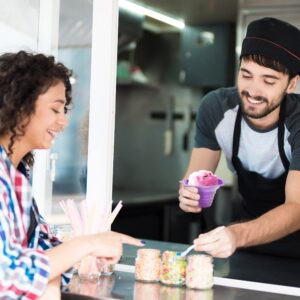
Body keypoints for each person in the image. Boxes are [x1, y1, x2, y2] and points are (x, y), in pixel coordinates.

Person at [0, 51, 144, 300]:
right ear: (19, 105)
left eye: (64, 109)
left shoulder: (16, 174)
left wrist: (89, 246)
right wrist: (85, 245)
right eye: (56, 109)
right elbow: (7, 276)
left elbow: (38, 245)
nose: (64, 121)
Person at [178, 17, 300, 258]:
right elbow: (195, 179)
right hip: (249, 242)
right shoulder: (216, 108)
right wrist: (189, 196)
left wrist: (236, 235)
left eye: (268, 80)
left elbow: (297, 207)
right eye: (246, 75)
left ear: (291, 84)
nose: (253, 91)